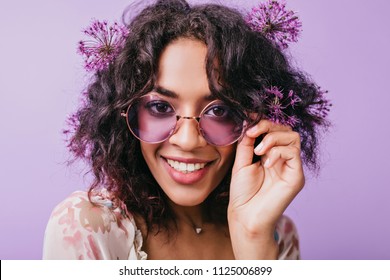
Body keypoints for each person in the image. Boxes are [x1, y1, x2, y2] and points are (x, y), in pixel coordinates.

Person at [43, 0, 330, 260]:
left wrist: (254, 242)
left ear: (257, 121)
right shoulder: (88, 227)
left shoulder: (275, 231)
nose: (188, 140)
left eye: (219, 110)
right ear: (124, 114)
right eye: (160, 108)